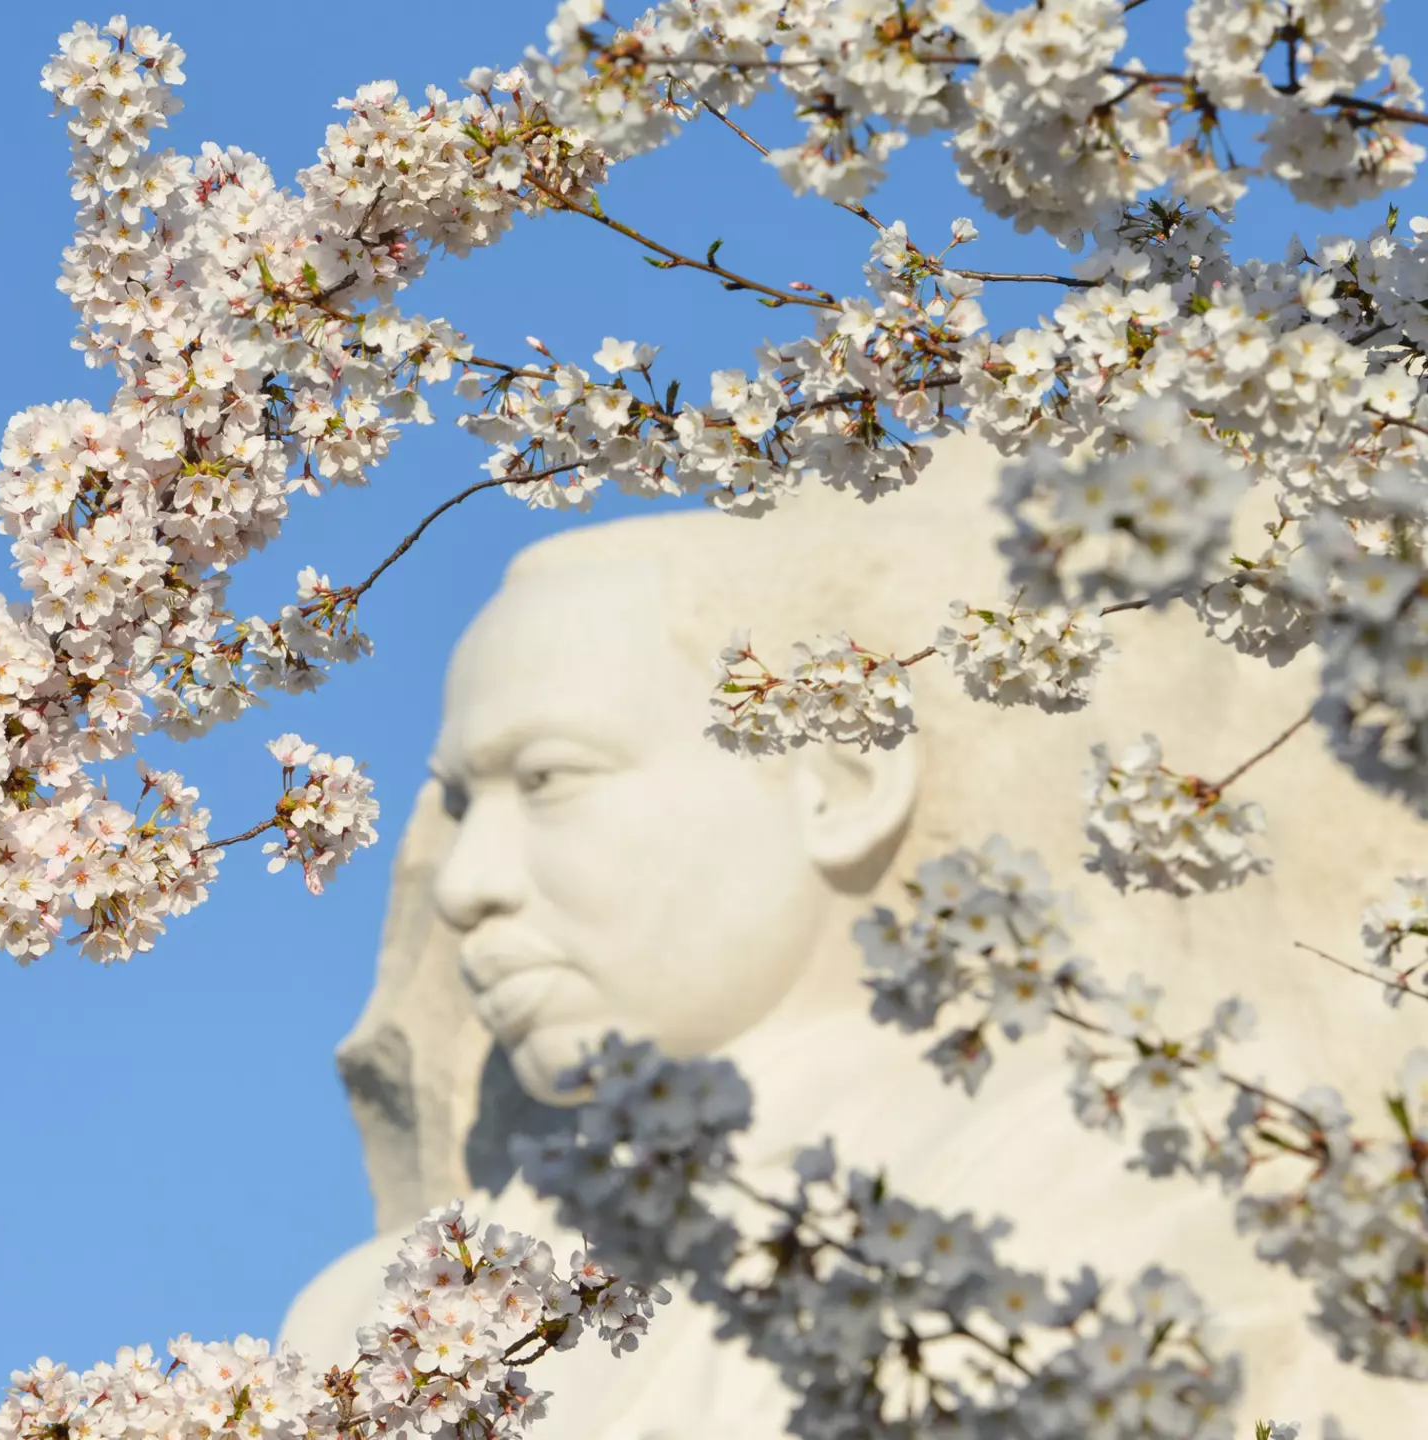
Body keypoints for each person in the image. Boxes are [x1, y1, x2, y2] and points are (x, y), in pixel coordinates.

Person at [281, 434, 1428, 1435]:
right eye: (465, 808)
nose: (471, 883)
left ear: (834, 778)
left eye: (553, 777)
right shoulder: (361, 1324)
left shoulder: (1127, 1167)